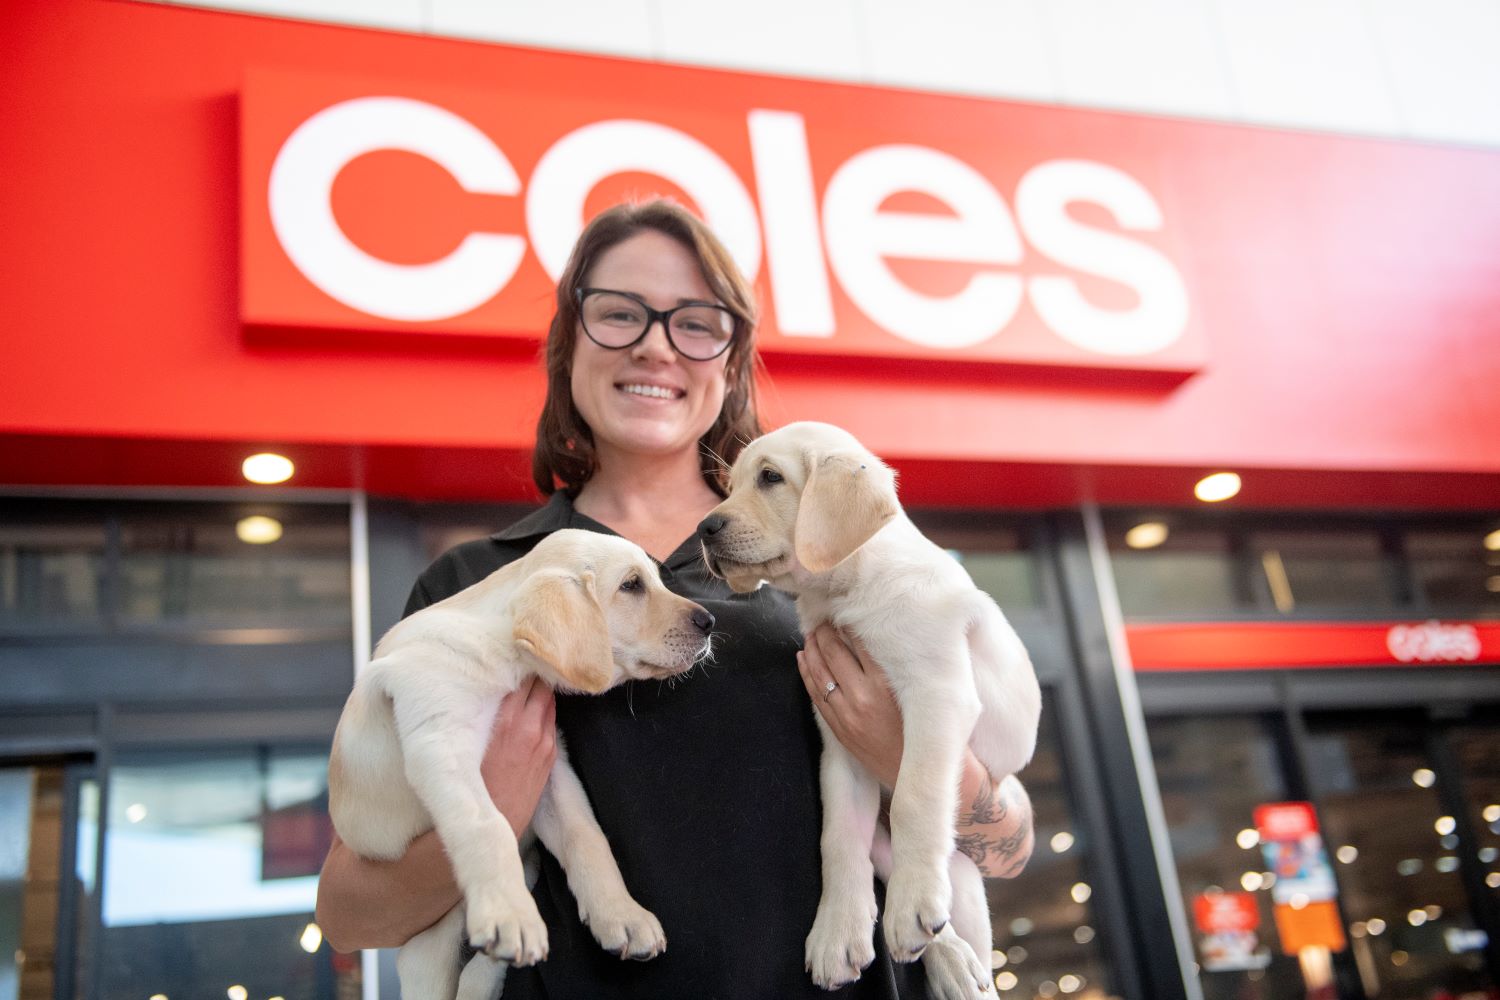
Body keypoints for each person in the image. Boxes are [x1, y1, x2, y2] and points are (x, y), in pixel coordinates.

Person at [315, 199, 1035, 997]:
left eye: (697, 323)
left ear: (730, 361)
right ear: (567, 343)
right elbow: (350, 914)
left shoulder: (821, 569)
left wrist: (921, 767)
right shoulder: (480, 588)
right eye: (619, 314)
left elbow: (1010, 846)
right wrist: (502, 805)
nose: (657, 346)